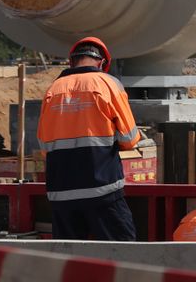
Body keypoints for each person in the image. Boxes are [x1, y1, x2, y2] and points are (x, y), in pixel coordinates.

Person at [37, 37, 140, 240]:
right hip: (102, 190)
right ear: (102, 63)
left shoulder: (53, 90)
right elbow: (129, 138)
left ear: (72, 61)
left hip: (62, 193)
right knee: (122, 252)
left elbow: (44, 146)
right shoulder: (108, 84)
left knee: (70, 262)